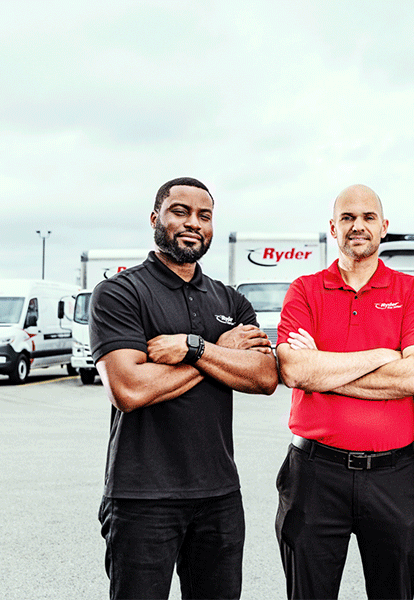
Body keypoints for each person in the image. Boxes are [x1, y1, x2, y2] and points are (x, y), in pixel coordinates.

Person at [89, 177, 278, 600]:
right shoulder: (120, 293)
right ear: (156, 218)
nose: (193, 222)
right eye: (180, 211)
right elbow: (129, 388)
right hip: (141, 497)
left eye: (204, 215)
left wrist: (193, 349)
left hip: (220, 496)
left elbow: (265, 377)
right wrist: (217, 354)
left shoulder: (230, 300)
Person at [275, 184, 414, 600]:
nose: (357, 226)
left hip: (394, 477)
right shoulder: (305, 289)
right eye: (347, 218)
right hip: (313, 473)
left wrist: (324, 370)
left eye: (368, 218)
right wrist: (385, 354)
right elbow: (294, 369)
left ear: (384, 228)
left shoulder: (412, 292)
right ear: (333, 227)